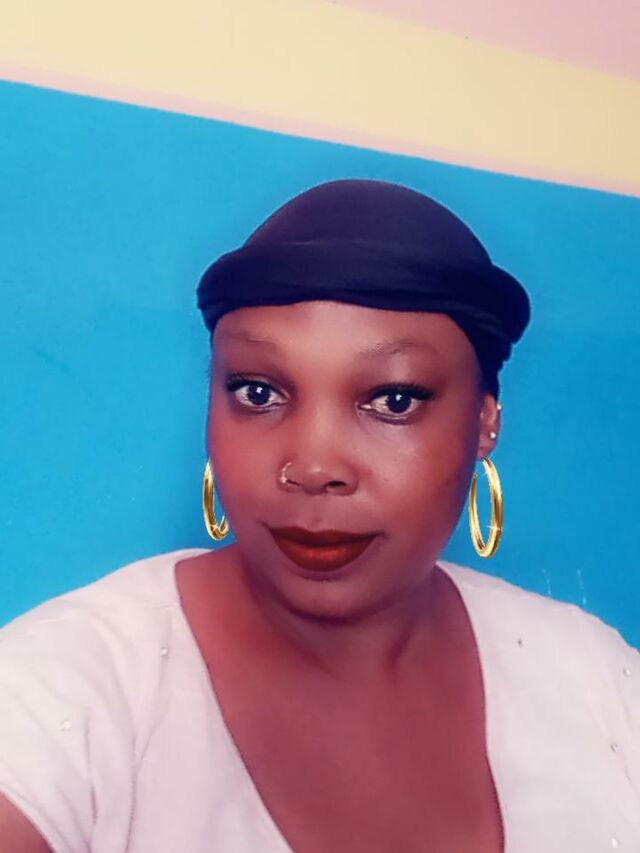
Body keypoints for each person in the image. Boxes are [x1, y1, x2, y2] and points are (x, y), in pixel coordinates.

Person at [0, 179, 638, 853]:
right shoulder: (67, 688)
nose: (312, 465)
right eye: (258, 392)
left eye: (393, 400)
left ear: (484, 423)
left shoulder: (595, 682)